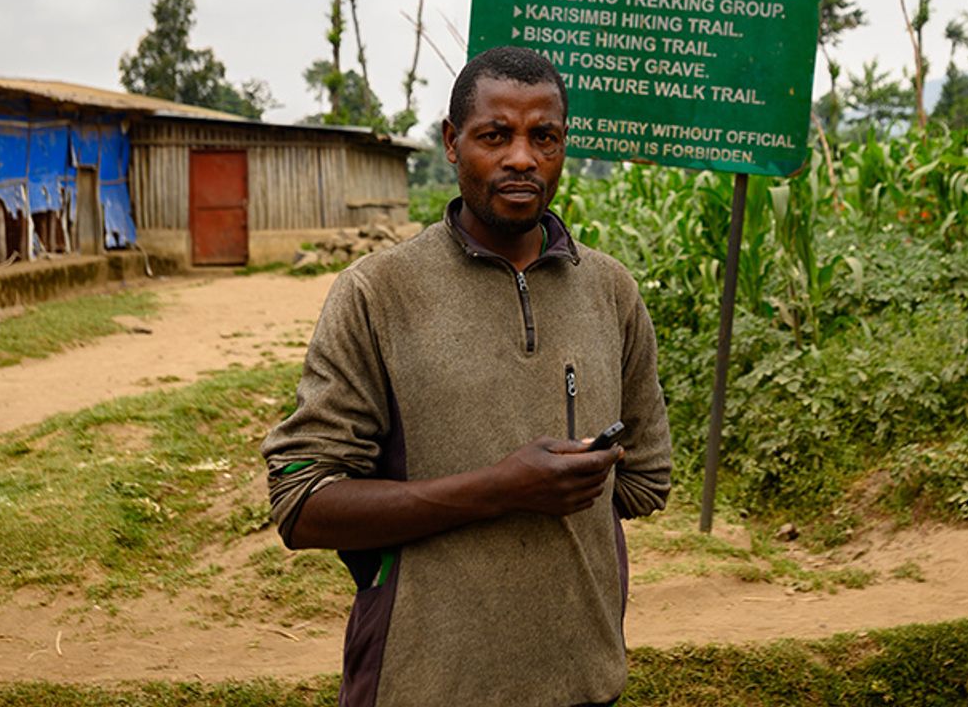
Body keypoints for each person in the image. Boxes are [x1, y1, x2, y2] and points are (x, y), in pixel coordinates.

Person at [262, 45, 672, 707]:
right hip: (423, 684)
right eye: (495, 135)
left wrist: (573, 485)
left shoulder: (610, 291)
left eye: (545, 137)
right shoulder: (378, 293)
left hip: (584, 682)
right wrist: (501, 488)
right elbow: (301, 504)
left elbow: (645, 483)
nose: (521, 158)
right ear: (452, 143)